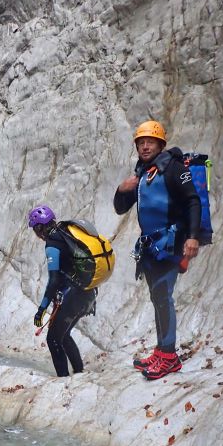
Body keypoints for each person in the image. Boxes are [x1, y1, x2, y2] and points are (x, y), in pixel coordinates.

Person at [113, 119, 201, 380]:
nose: (145, 146)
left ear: (161, 144)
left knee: (163, 297)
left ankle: (169, 357)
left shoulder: (173, 167)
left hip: (170, 243)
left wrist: (193, 238)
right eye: (141, 142)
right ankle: (162, 351)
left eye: (150, 141)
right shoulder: (142, 173)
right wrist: (121, 189)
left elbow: (193, 201)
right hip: (151, 247)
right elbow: (120, 208)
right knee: (158, 297)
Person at [28, 205, 97, 377]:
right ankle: (79, 372)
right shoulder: (66, 234)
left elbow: (54, 281)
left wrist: (41, 309)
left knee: (53, 339)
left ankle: (63, 379)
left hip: (73, 296)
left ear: (39, 228)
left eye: (35, 229)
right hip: (87, 293)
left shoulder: (53, 244)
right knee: (63, 335)